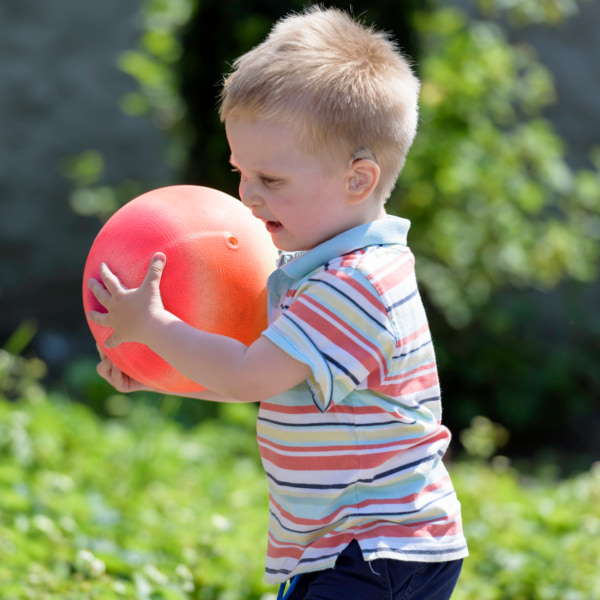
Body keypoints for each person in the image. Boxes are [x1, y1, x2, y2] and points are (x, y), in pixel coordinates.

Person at [87, 6, 468, 599]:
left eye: (272, 179)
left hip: (376, 548)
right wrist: (163, 378)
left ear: (358, 180)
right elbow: (273, 382)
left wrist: (155, 326)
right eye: (242, 172)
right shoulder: (322, 270)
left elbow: (246, 375)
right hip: (340, 545)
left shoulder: (355, 284)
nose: (247, 195)